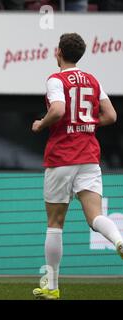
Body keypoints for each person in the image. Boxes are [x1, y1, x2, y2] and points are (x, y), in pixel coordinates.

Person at [31, 33, 122, 300]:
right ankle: (119, 240)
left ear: (58, 51)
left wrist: (41, 124)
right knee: (95, 218)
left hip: (62, 157)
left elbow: (58, 110)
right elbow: (112, 115)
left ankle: (53, 286)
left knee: (55, 224)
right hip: (89, 157)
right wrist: (87, 123)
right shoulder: (93, 80)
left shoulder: (56, 79)